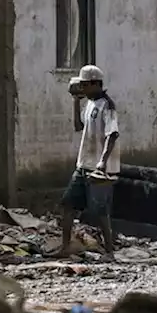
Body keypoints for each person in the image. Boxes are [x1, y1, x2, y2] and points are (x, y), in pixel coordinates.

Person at [55, 64, 120, 255]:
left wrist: (103, 161)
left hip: (100, 168)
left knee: (100, 212)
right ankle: (65, 247)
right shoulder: (90, 103)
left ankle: (109, 251)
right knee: (68, 205)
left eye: (84, 85)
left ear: (95, 84)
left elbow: (113, 134)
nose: (81, 89)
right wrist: (76, 102)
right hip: (83, 164)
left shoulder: (107, 106)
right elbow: (78, 126)